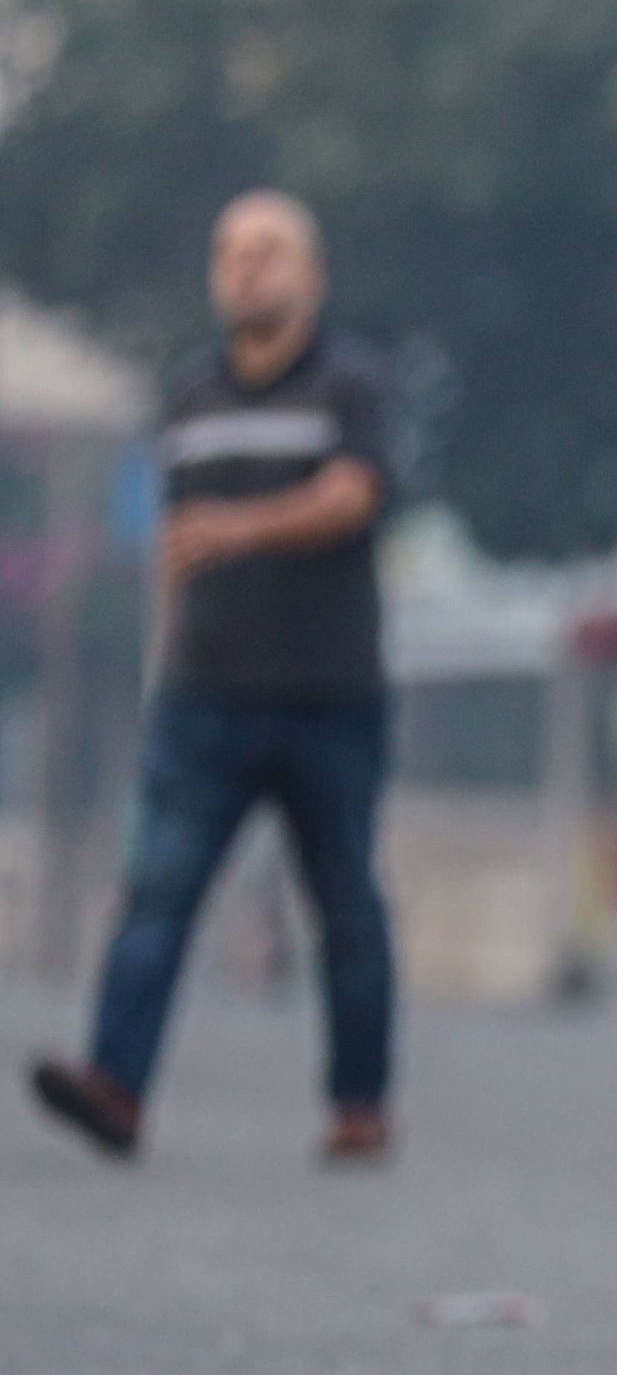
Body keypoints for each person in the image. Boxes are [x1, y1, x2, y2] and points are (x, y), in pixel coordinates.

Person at [31, 193, 400, 1167]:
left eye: (268, 251)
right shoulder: (189, 398)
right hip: (205, 697)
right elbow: (170, 545)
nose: (246, 268)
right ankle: (116, 1087)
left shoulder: (350, 387)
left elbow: (351, 499)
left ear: (310, 277)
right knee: (156, 891)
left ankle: (358, 1104)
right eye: (230, 252)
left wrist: (237, 529)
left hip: (329, 698)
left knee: (346, 906)